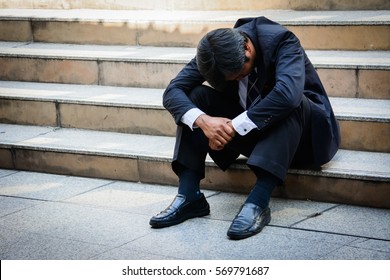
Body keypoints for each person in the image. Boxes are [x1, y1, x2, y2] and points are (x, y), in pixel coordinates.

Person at [149, 16, 340, 240]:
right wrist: (204, 121)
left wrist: (232, 126)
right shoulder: (217, 50)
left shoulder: (282, 41)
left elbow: (288, 95)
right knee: (195, 97)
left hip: (304, 136)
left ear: (247, 46)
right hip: (257, 132)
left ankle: (258, 202)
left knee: (291, 97)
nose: (240, 78)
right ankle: (189, 195)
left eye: (242, 72)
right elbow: (173, 91)